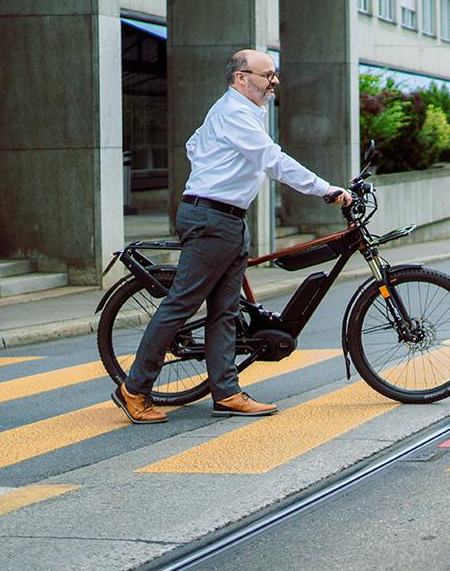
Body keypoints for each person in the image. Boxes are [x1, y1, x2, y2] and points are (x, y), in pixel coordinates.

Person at [112, 49, 350, 424]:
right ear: (241, 78)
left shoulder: (241, 113)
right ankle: (134, 389)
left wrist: (213, 168)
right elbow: (273, 160)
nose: (274, 81)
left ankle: (226, 393)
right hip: (211, 219)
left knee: (224, 312)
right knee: (181, 305)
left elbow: (194, 145)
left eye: (274, 74)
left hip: (228, 218)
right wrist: (325, 190)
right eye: (266, 74)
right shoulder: (235, 112)